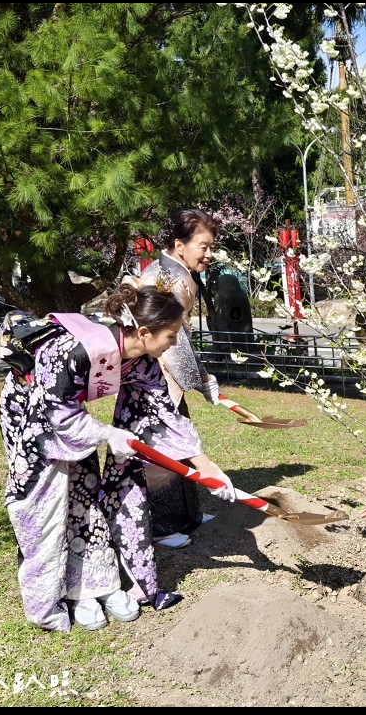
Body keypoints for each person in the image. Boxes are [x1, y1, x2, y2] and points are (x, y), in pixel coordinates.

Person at [0, 283, 185, 632]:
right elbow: (54, 413)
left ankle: (96, 583)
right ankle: (50, 601)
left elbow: (166, 414)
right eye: (172, 334)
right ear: (143, 332)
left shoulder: (141, 360)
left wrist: (211, 471)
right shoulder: (78, 349)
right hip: (32, 419)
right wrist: (107, 434)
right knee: (46, 506)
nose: (175, 342)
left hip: (75, 424)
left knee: (84, 495)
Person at [121, 209, 224, 549]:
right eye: (203, 247)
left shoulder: (172, 271)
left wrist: (199, 377)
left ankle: (187, 516)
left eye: (211, 247)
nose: (209, 254)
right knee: (159, 451)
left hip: (166, 373)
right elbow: (173, 340)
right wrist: (200, 378)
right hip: (153, 375)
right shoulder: (173, 279)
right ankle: (162, 525)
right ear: (180, 245)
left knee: (181, 443)